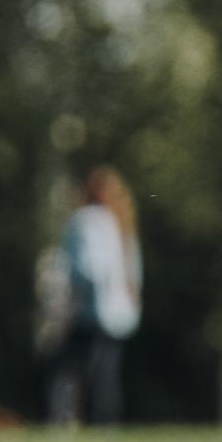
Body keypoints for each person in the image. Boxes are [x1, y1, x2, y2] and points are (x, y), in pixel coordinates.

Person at [41, 166, 142, 426]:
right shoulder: (119, 221)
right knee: (105, 371)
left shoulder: (85, 220)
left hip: (87, 309)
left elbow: (84, 268)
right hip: (117, 313)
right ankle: (105, 423)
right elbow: (133, 270)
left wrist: (73, 302)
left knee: (67, 369)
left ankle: (62, 420)